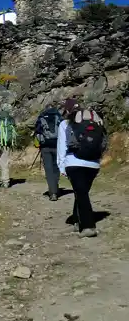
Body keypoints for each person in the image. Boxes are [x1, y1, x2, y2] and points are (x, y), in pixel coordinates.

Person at [58, 98, 106, 238]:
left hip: (74, 162)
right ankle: (77, 222)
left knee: (81, 193)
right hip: (93, 164)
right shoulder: (96, 121)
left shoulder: (65, 123)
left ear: (67, 110)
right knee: (81, 192)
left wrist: (62, 166)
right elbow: (103, 143)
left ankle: (88, 226)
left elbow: (62, 147)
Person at [35, 104, 63, 200]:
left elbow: (37, 131)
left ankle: (53, 192)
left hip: (45, 147)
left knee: (49, 169)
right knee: (56, 167)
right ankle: (55, 187)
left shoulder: (41, 117)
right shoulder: (59, 116)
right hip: (57, 146)